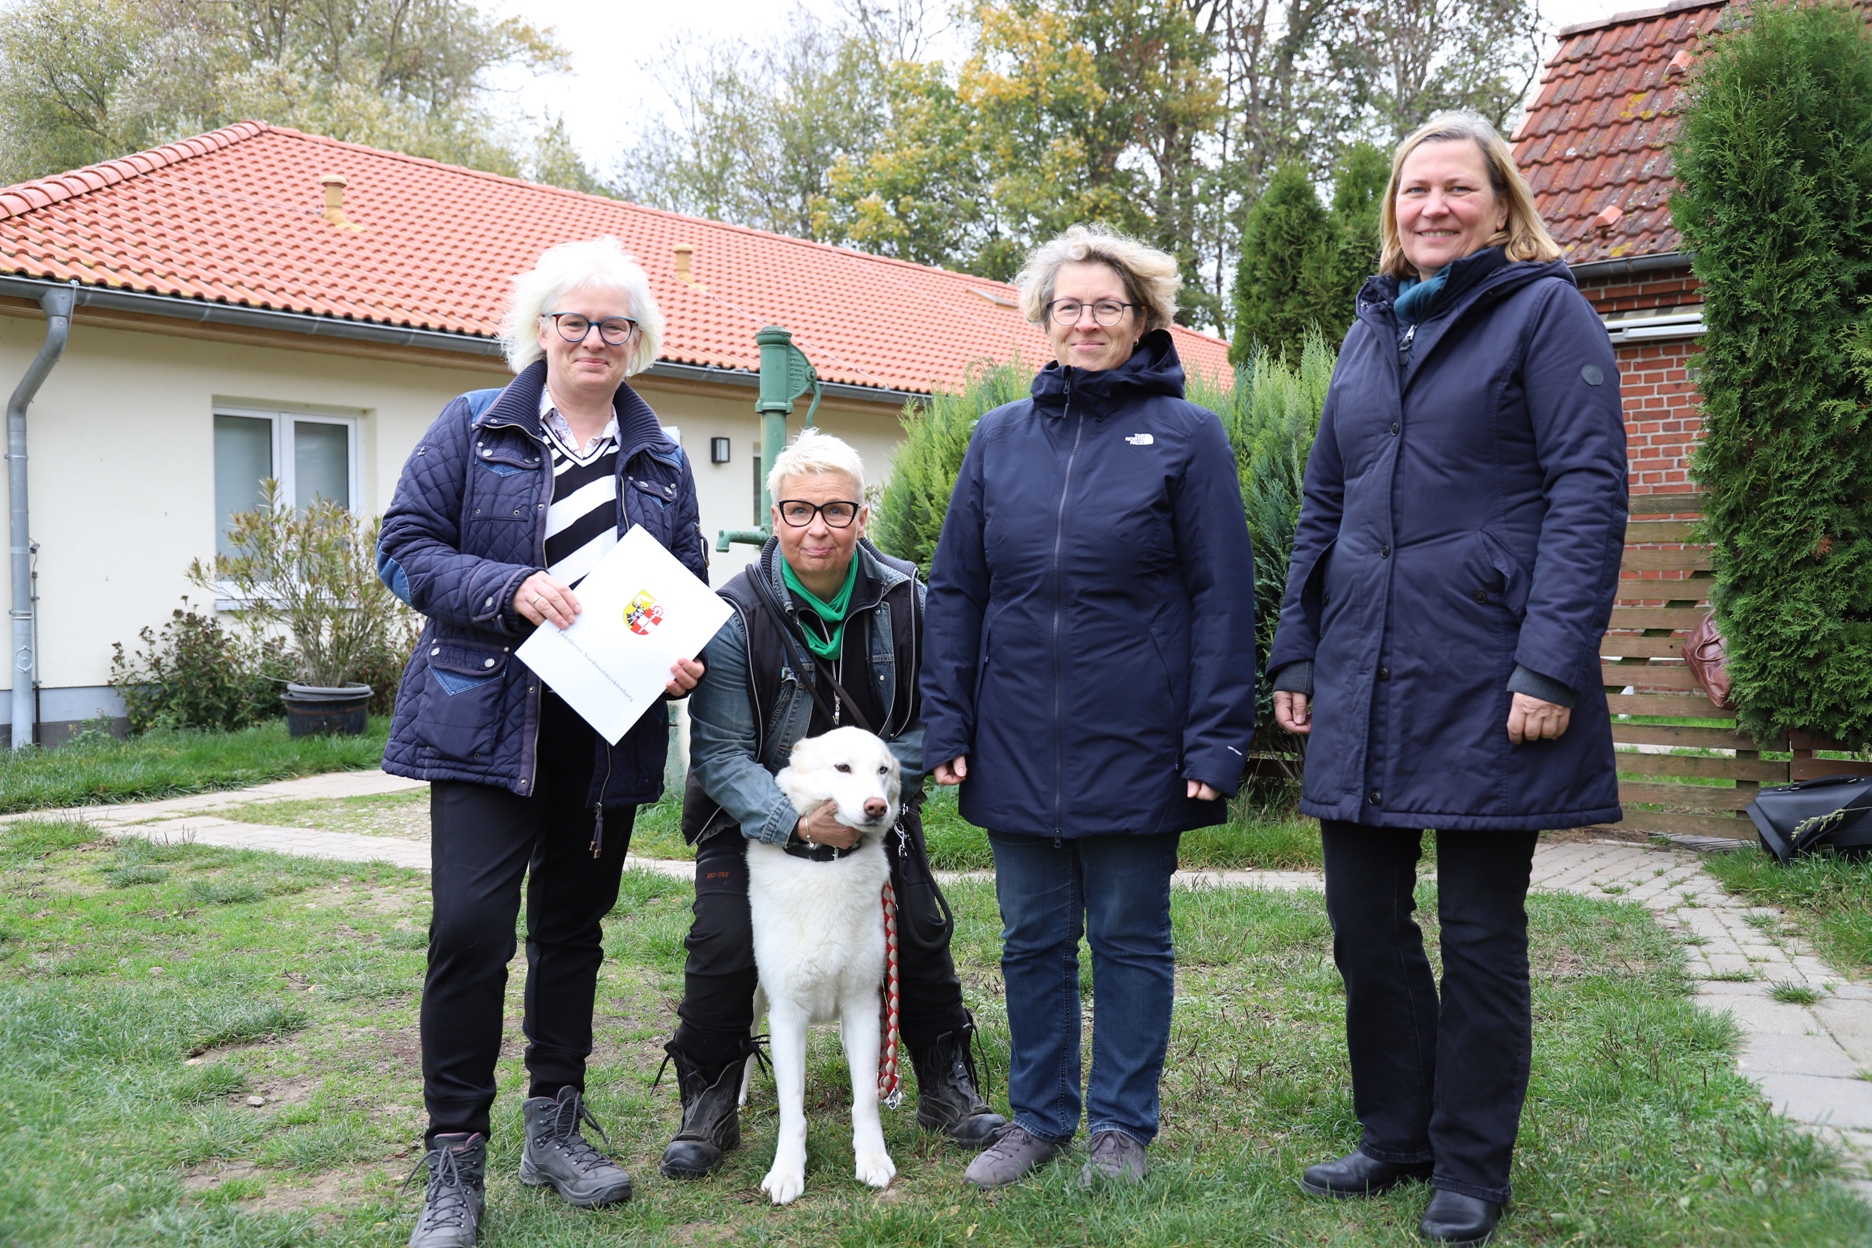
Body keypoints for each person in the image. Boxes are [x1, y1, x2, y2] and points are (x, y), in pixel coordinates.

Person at [1266, 113, 1626, 1245]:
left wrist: (1550, 661)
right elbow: (1325, 501)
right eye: (1414, 189)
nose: (1432, 207)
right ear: (1394, 210)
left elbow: (1588, 493)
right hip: (1363, 671)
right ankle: (1396, 1133)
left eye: (1455, 189)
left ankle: (1471, 1164)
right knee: (1363, 923)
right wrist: (1296, 647)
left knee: (1479, 932)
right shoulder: (1372, 331)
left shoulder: (1546, 311)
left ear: (1501, 204)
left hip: (1490, 676)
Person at [377, 236, 709, 1248]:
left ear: (637, 340)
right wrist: (503, 586)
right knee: (469, 935)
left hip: (605, 731)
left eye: (615, 324)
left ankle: (554, 1129)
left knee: (571, 934)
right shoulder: (472, 428)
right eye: (576, 321)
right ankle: (454, 1162)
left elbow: (683, 585)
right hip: (484, 720)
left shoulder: (660, 456)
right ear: (542, 331)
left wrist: (678, 660)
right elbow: (403, 548)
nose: (594, 339)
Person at [921, 224, 1259, 1189]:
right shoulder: (997, 439)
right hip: (1015, 732)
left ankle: (1121, 1125)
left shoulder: (1189, 437)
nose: (1087, 320)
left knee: (1128, 939)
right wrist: (949, 721)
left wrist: (1214, 740)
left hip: (1142, 737)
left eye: (1107, 305)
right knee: (1030, 940)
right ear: (1044, 318)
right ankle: (1038, 1120)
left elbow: (1222, 599)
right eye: (1069, 305)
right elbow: (959, 592)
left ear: (1145, 317)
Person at [660, 428, 1006, 1178]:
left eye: (836, 511)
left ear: (861, 516)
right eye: (798, 510)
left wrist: (867, 800)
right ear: (775, 517)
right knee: (721, 947)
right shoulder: (734, 615)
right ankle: (711, 1096)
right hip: (750, 815)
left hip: (876, 814)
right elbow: (719, 752)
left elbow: (932, 722)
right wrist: (795, 821)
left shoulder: (910, 602)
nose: (817, 527)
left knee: (919, 931)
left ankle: (945, 1082)